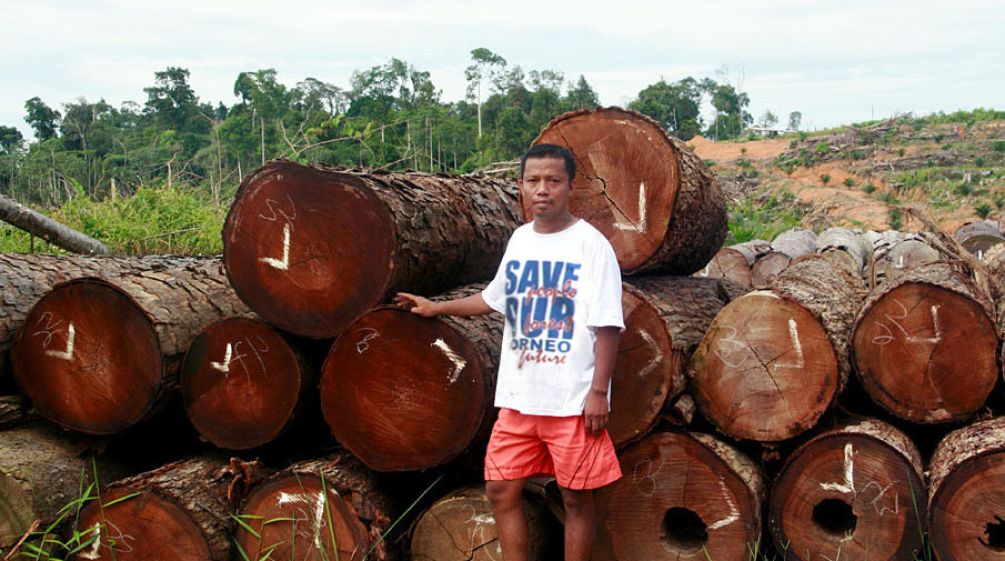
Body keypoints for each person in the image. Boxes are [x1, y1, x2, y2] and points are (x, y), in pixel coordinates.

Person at [395, 143, 623, 561]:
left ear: (571, 186)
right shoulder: (519, 239)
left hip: (571, 400)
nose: (542, 190)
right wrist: (437, 307)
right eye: (533, 181)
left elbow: (608, 324)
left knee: (575, 497)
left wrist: (598, 392)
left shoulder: (592, 246)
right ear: (520, 187)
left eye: (553, 181)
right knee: (501, 488)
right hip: (520, 397)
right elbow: (493, 298)